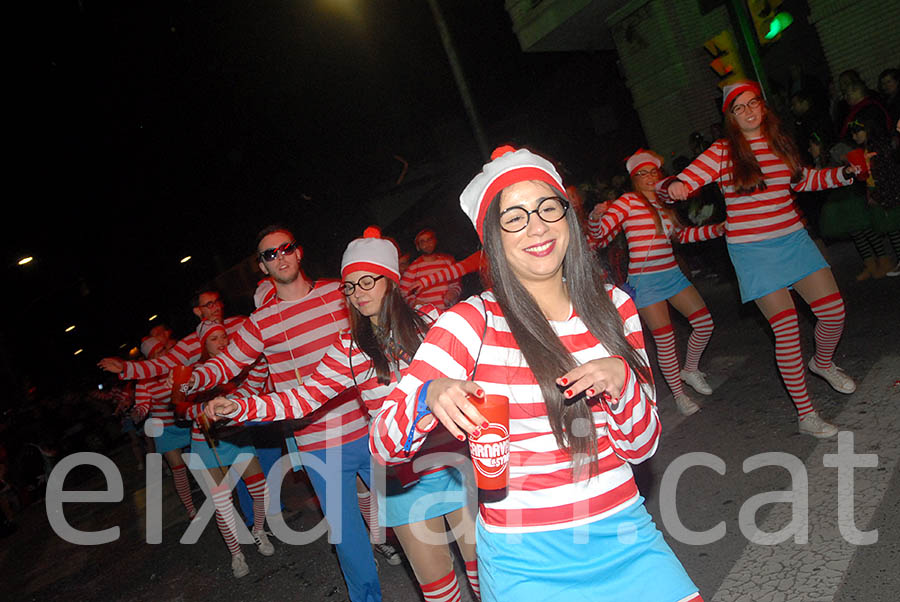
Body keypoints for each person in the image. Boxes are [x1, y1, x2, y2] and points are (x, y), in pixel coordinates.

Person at [372, 146, 703, 601]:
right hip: (526, 561)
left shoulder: (616, 307)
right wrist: (429, 394)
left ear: (568, 215)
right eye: (514, 217)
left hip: (627, 537)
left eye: (548, 207)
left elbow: (643, 446)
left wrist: (624, 382)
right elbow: (384, 443)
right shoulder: (471, 322)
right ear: (492, 239)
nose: (537, 226)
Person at [206, 228, 480, 601]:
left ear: (391, 279)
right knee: (439, 593)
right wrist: (242, 406)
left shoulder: (434, 322)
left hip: (455, 468)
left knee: (487, 582)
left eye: (367, 280)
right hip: (401, 482)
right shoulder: (350, 350)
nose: (359, 293)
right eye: (350, 286)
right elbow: (302, 398)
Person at [183, 225, 384, 602]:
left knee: (414, 515)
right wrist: (194, 380)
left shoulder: (338, 294)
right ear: (262, 266)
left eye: (285, 248)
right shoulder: (260, 322)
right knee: (348, 539)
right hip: (318, 443)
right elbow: (226, 363)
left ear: (299, 251)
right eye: (270, 254)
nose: (280, 257)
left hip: (371, 426)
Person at [661, 81, 865, 438]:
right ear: (731, 118)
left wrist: (844, 174)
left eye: (752, 103)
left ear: (763, 106)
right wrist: (673, 188)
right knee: (786, 332)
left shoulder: (780, 142)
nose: (748, 111)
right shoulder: (722, 152)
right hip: (753, 251)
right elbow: (681, 182)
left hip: (794, 241)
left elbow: (803, 181)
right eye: (739, 108)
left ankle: (822, 362)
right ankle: (807, 414)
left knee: (833, 312)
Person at [587, 150, 724, 416]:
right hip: (646, 280)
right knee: (666, 341)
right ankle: (679, 395)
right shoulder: (627, 202)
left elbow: (682, 236)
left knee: (704, 323)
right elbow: (602, 235)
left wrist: (716, 230)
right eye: (642, 173)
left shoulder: (665, 204)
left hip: (672, 274)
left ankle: (690, 369)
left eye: (653, 172)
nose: (650, 178)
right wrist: (594, 218)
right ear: (633, 178)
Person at [180, 320, 275, 578]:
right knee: (222, 503)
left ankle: (258, 531)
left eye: (224, 336)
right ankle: (236, 554)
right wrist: (205, 412)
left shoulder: (237, 368)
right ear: (204, 344)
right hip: (207, 443)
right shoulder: (195, 373)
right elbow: (181, 408)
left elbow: (253, 390)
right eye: (214, 339)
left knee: (261, 491)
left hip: (237, 438)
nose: (222, 342)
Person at [131, 336, 196, 520]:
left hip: (184, 421)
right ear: (150, 358)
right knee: (178, 467)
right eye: (159, 352)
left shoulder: (176, 367)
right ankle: (190, 509)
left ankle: (216, 496)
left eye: (163, 349)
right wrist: (139, 412)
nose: (165, 353)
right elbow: (143, 404)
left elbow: (192, 387)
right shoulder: (145, 380)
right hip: (165, 428)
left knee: (200, 462)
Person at [399, 228, 461, 309]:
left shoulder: (448, 262)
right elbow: (403, 292)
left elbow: (456, 284)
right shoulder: (413, 268)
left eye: (429, 239)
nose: (427, 244)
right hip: (426, 315)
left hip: (447, 311)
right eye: (422, 242)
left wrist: (452, 294)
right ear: (418, 247)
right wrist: (415, 303)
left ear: (435, 241)